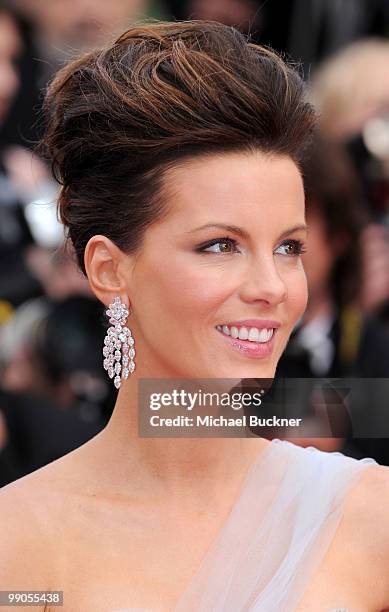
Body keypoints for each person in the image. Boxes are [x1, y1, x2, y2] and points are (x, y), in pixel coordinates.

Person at [1, 20, 389, 611]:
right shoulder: (19, 544)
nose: (271, 288)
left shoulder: (370, 521)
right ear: (108, 270)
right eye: (219, 245)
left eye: (289, 248)